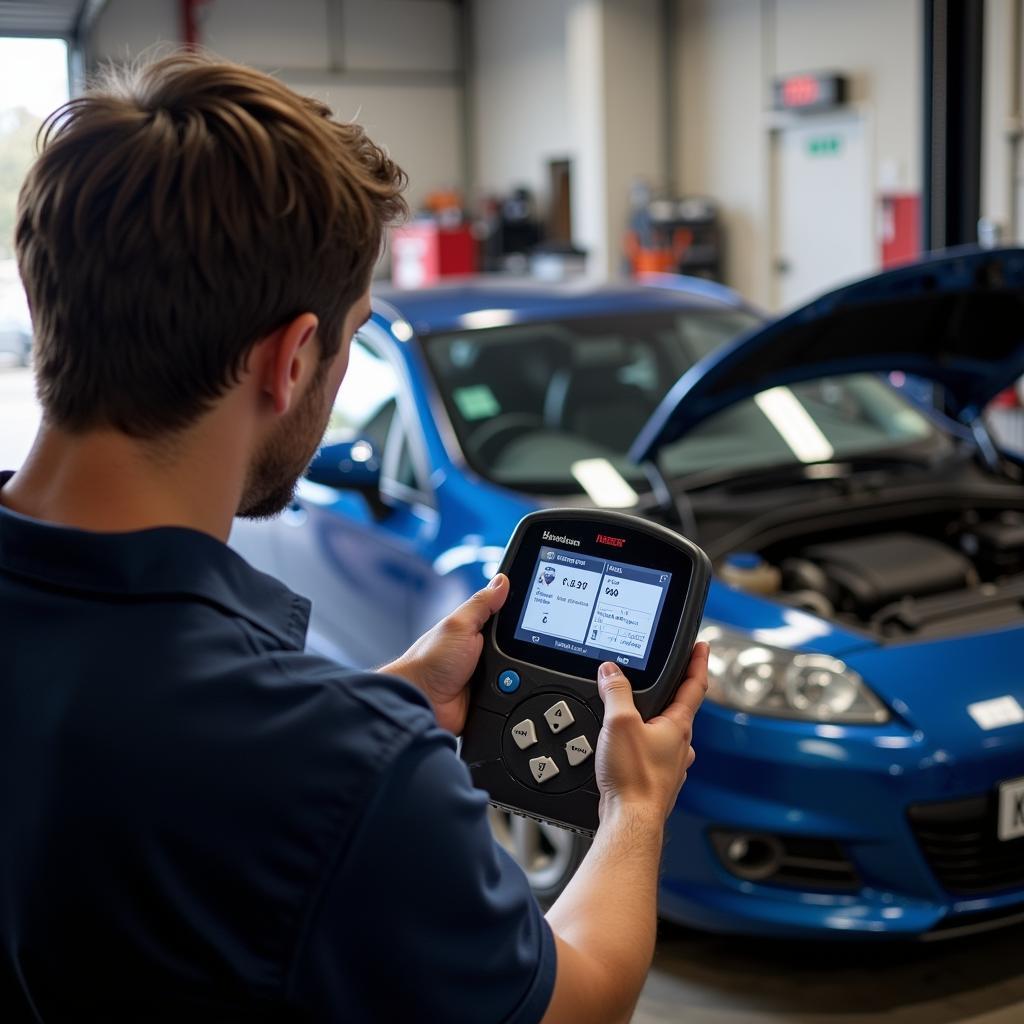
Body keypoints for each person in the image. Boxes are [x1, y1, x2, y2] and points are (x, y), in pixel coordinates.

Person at [0, 51, 709, 1023]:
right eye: (350, 336)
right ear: (291, 360)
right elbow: (575, 1002)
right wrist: (635, 808)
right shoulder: (347, 772)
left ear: (45, 305)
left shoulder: (316, 751)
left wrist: (387, 700)